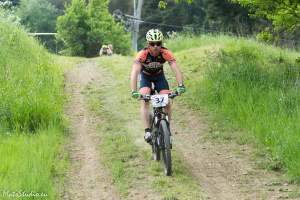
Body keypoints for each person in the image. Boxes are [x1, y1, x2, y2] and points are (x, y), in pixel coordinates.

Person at [130, 29, 186, 143]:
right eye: (152, 44)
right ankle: (147, 131)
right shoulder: (142, 55)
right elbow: (135, 72)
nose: (155, 46)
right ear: (147, 44)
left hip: (159, 77)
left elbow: (176, 68)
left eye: (158, 43)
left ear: (162, 43)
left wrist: (180, 85)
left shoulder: (165, 53)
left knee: (167, 102)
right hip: (145, 77)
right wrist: (134, 91)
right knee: (145, 99)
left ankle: (167, 130)